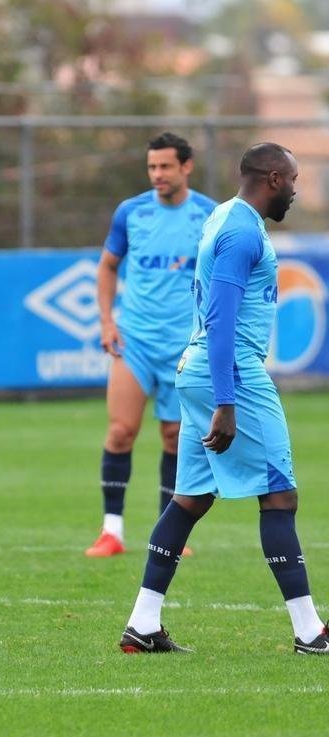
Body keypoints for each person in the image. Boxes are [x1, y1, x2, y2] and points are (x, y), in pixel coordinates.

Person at [119, 142, 329, 654]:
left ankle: (143, 624)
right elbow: (220, 319)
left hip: (197, 370)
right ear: (274, 179)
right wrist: (227, 401)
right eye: (293, 180)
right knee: (279, 497)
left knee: (190, 498)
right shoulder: (240, 232)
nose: (295, 191)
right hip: (231, 373)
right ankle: (310, 633)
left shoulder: (224, 216)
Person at [86, 132, 218, 557]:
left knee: (175, 437)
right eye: (152, 167)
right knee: (121, 431)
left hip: (185, 347)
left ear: (186, 167)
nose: (157, 174)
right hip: (136, 341)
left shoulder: (210, 216)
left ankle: (169, 536)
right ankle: (111, 531)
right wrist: (107, 321)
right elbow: (108, 267)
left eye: (165, 166)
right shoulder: (132, 212)